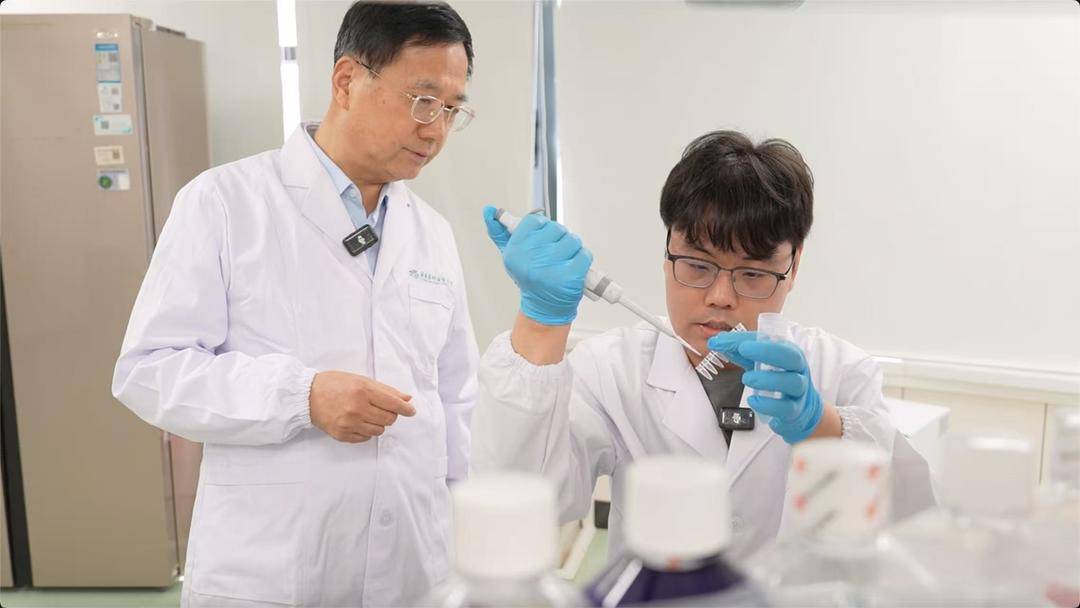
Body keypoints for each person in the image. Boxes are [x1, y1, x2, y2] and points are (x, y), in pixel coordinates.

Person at [112, 3, 479, 606]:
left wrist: (468, 535)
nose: (435, 130)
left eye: (451, 109)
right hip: (272, 572)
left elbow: (456, 396)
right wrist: (300, 396)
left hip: (416, 570)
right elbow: (149, 370)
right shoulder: (225, 203)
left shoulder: (432, 232)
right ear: (347, 81)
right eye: (422, 100)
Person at [471, 130, 936, 564]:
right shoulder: (612, 372)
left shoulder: (841, 371)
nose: (720, 296)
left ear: (793, 267)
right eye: (697, 266)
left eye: (752, 274)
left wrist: (822, 428)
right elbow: (522, 501)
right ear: (667, 251)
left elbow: (912, 528)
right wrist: (540, 323)